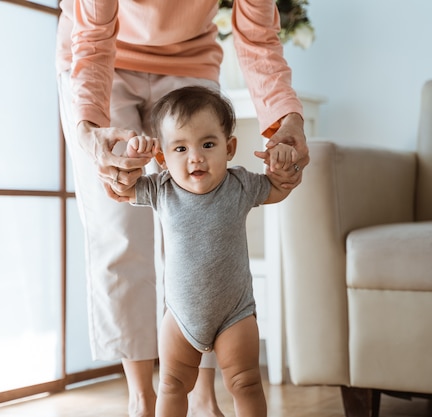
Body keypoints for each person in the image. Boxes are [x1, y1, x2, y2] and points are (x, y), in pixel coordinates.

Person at [56, 1, 309, 416]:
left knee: (203, 210)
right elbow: (94, 37)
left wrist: (286, 116)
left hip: (190, 58)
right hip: (101, 55)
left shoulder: (241, 183)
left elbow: (259, 34)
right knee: (118, 232)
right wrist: (89, 129)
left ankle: (204, 398)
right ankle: (141, 397)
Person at [111, 85, 297, 417]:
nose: (195, 157)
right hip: (181, 317)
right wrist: (129, 159)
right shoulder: (161, 188)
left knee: (246, 384)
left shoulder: (241, 184)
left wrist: (283, 169)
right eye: (180, 148)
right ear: (162, 157)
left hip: (235, 313)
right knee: (171, 385)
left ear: (230, 148)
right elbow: (121, 188)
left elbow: (278, 189)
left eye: (208, 144)